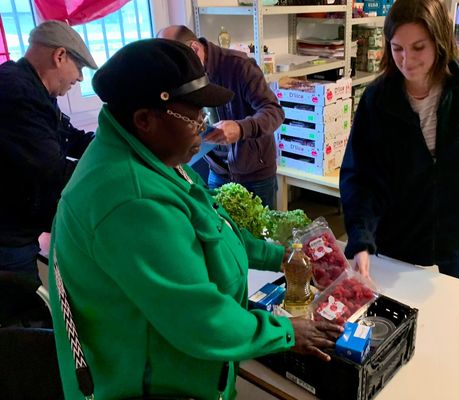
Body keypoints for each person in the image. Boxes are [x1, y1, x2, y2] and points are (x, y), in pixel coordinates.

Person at [48, 39, 342, 399]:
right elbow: (200, 320)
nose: (204, 127)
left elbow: (214, 223)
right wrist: (287, 332)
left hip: (183, 365)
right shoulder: (131, 199)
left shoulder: (155, 158)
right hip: (152, 383)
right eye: (195, 116)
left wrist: (274, 255)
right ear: (145, 120)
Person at [340, 0, 459, 283]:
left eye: (418, 47)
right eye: (397, 48)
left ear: (439, 42)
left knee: (456, 311)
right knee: (400, 316)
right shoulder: (377, 100)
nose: (406, 60)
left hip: (456, 229)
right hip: (399, 233)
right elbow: (360, 176)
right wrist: (361, 238)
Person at [0, 20, 96, 281]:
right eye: (79, 68)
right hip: (8, 239)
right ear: (60, 56)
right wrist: (113, 170)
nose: (80, 78)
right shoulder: (16, 93)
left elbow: (69, 136)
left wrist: (112, 144)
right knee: (18, 310)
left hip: (19, 232)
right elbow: (51, 170)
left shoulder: (33, 89)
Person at [157, 25, 284, 210]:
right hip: (217, 171)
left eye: (179, 62)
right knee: (222, 232)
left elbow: (274, 111)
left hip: (255, 174)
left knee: (262, 236)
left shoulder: (240, 66)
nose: (178, 72)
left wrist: (241, 129)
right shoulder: (183, 76)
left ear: (194, 48)